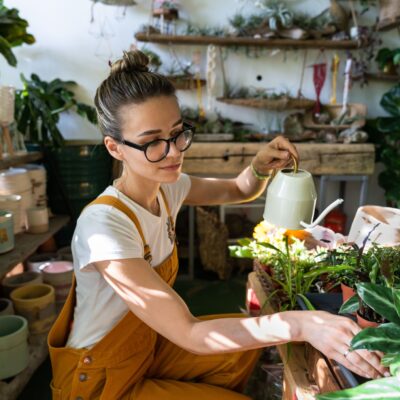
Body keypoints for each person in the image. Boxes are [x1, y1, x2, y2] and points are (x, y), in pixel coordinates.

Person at [48, 50, 388, 400]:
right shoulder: (103, 226)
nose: (174, 152)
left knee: (239, 351)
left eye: (178, 133)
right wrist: (300, 324)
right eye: (152, 143)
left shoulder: (168, 188)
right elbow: (190, 332)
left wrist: (260, 166)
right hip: (101, 379)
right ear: (115, 148)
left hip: (147, 347)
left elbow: (239, 189)